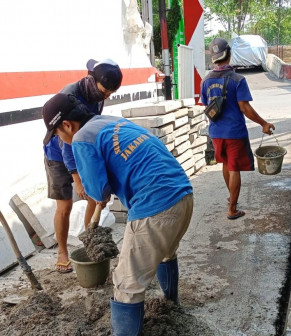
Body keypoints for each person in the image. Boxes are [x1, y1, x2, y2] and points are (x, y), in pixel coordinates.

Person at [42, 93, 194, 336]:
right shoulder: (111, 122)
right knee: (165, 252)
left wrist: (97, 185)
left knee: (126, 283)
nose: (61, 140)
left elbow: (97, 191)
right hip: (183, 195)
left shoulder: (82, 138)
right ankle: (170, 305)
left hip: (155, 206)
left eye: (58, 134)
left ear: (67, 125)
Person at [43, 59, 122, 273]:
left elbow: (87, 131)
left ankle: (91, 243)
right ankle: (62, 251)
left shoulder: (96, 94)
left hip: (80, 143)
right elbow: (67, 142)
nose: (107, 96)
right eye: (106, 92)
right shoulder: (70, 97)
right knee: (65, 205)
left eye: (110, 93)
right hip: (58, 151)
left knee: (93, 196)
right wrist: (77, 179)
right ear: (92, 80)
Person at [201, 37, 275, 220]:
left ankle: (231, 198)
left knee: (226, 164)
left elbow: (205, 105)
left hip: (216, 133)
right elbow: (245, 108)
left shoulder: (206, 80)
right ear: (229, 54)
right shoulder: (237, 79)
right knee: (234, 168)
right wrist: (263, 124)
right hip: (234, 132)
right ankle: (232, 209)